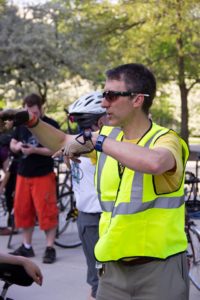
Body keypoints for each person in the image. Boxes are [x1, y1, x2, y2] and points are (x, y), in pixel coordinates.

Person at [0, 63, 190, 300]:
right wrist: (30, 120)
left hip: (159, 271)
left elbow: (155, 163)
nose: (103, 103)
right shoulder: (109, 136)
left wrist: (96, 141)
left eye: (111, 96)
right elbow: (61, 142)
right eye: (103, 95)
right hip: (112, 272)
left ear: (137, 100)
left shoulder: (165, 139)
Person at [9, 93, 59, 264]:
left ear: (41, 109)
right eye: (28, 112)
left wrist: (34, 150)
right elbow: (13, 142)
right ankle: (27, 246)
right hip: (23, 174)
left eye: (35, 113)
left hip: (43, 174)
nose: (31, 116)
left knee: (47, 212)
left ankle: (50, 247)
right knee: (23, 212)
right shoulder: (21, 123)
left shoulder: (51, 124)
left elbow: (56, 148)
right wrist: (16, 146)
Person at [67, 91, 107, 300]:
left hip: (100, 218)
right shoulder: (76, 144)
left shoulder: (104, 147)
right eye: (78, 126)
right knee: (96, 278)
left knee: (102, 281)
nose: (82, 133)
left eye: (86, 126)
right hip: (87, 218)